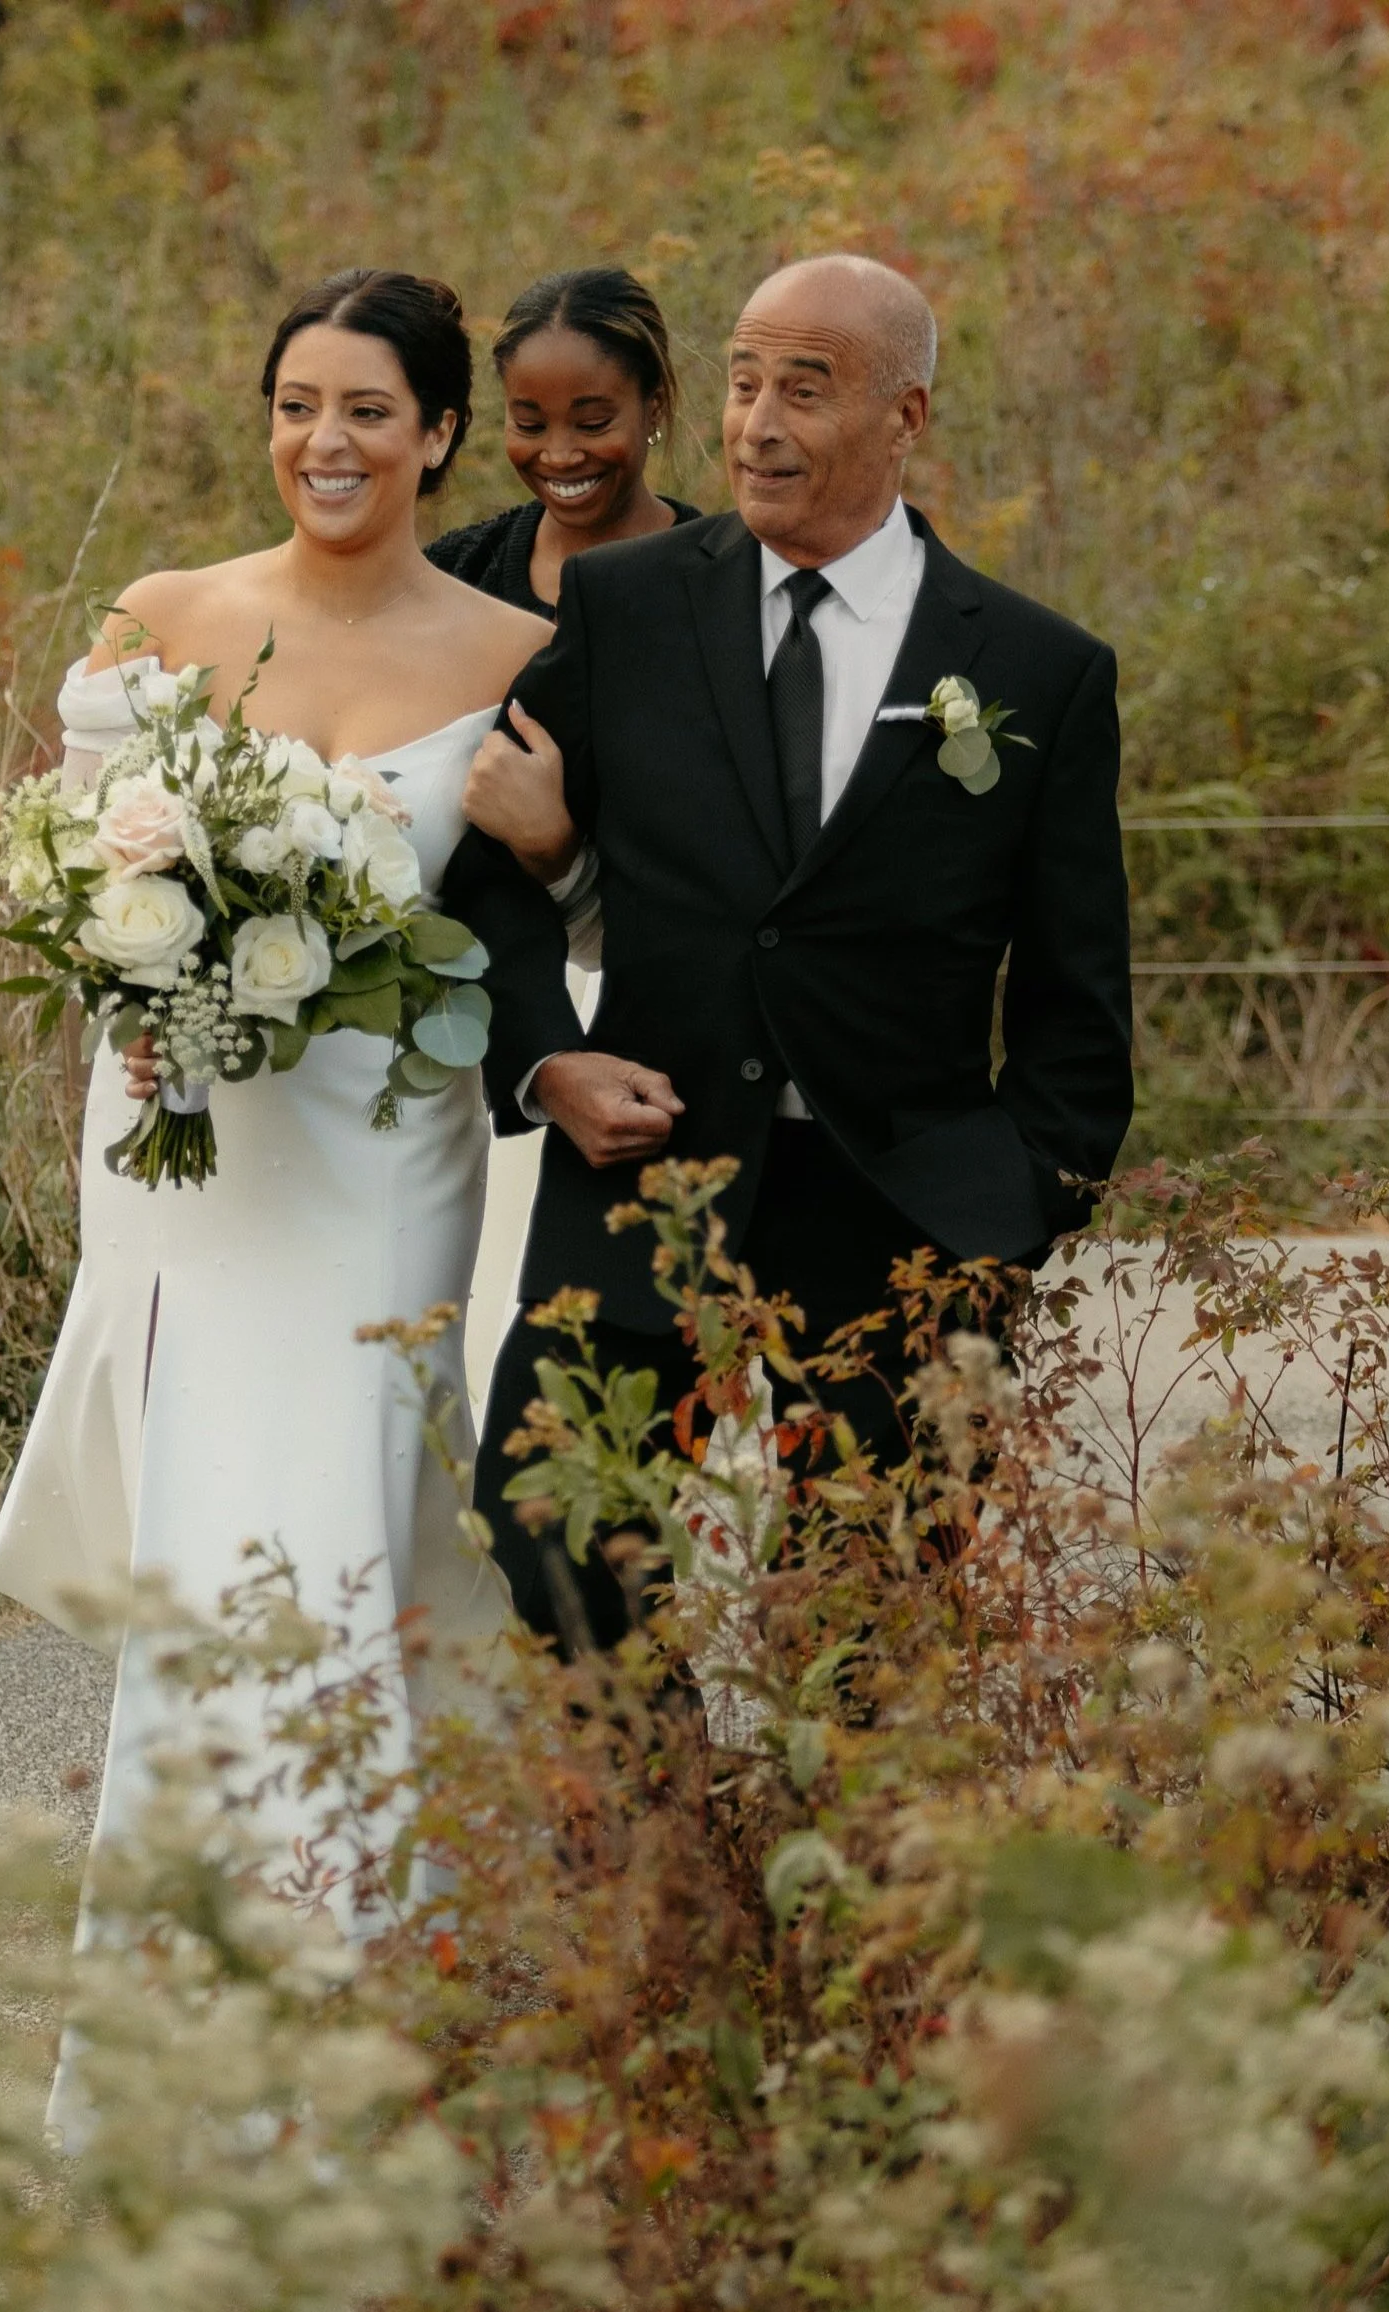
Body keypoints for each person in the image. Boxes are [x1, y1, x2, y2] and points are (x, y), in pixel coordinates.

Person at [446, 254, 1134, 1649]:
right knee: (553, 1545)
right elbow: (484, 870)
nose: (756, 425)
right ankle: (666, 1792)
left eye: (804, 390)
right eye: (744, 383)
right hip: (649, 1173)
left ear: (906, 415)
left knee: (874, 1624)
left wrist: (1011, 1212)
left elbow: (1080, 989)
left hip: (901, 1213)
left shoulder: (1038, 669)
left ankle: (830, 1807)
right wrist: (548, 1064)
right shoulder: (627, 606)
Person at [0, 271, 548, 1959]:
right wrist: (130, 992)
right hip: (192, 1148)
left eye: (368, 409)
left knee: (351, 1517)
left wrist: (555, 836)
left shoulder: (520, 653)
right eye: (298, 406)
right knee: (213, 1529)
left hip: (388, 1157)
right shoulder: (161, 617)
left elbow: (569, 914)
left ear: (440, 434)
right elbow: (76, 868)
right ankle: (194, 1965)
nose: (326, 441)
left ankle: (369, 1948)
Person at [423, 265, 701, 621]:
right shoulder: (457, 571)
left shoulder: (720, 581)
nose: (559, 456)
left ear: (655, 408)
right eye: (531, 426)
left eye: (593, 424)